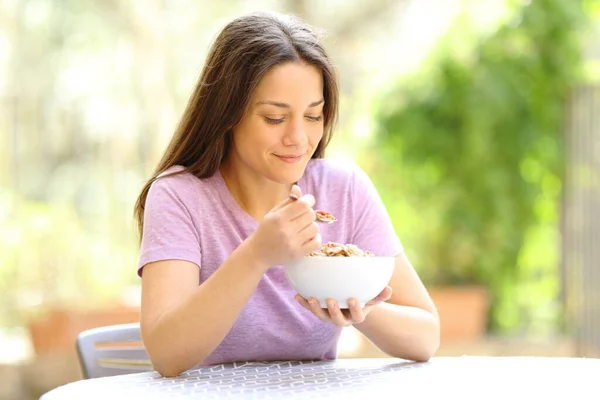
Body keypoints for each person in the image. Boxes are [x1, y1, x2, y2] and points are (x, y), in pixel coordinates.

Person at [133, 11, 440, 377]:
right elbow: (166, 354)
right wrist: (257, 254)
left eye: (313, 116)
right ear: (227, 114)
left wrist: (359, 309)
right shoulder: (179, 196)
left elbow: (426, 337)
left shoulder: (343, 189)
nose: (298, 138)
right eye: (275, 118)